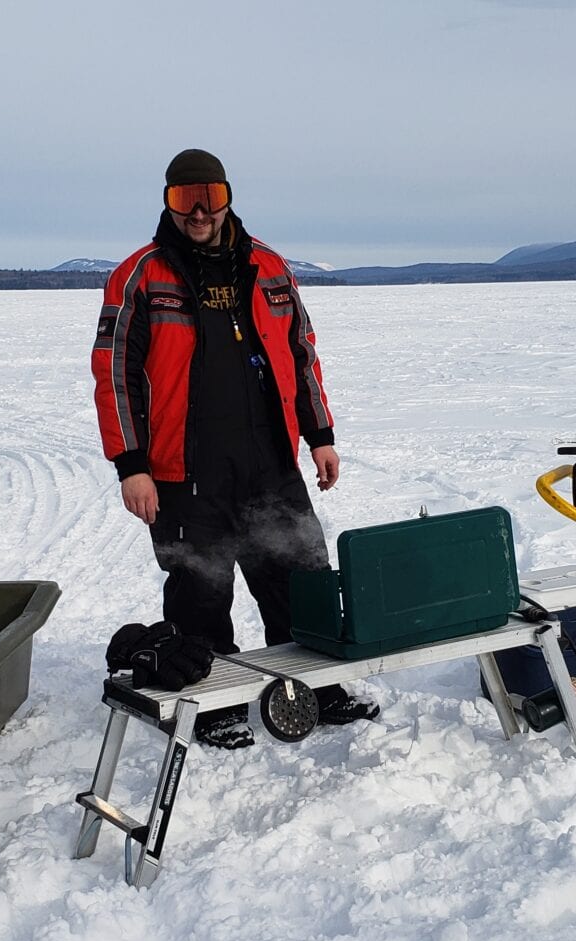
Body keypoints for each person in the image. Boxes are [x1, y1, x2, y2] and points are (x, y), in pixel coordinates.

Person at [90, 149, 378, 749]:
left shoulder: (269, 267)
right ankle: (212, 703)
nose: (198, 211)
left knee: (301, 580)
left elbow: (302, 355)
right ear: (167, 202)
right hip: (181, 472)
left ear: (228, 197)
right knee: (201, 591)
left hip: (270, 462)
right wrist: (132, 466)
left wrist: (320, 435)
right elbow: (114, 373)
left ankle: (319, 688)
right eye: (183, 198)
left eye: (211, 197)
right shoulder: (141, 274)